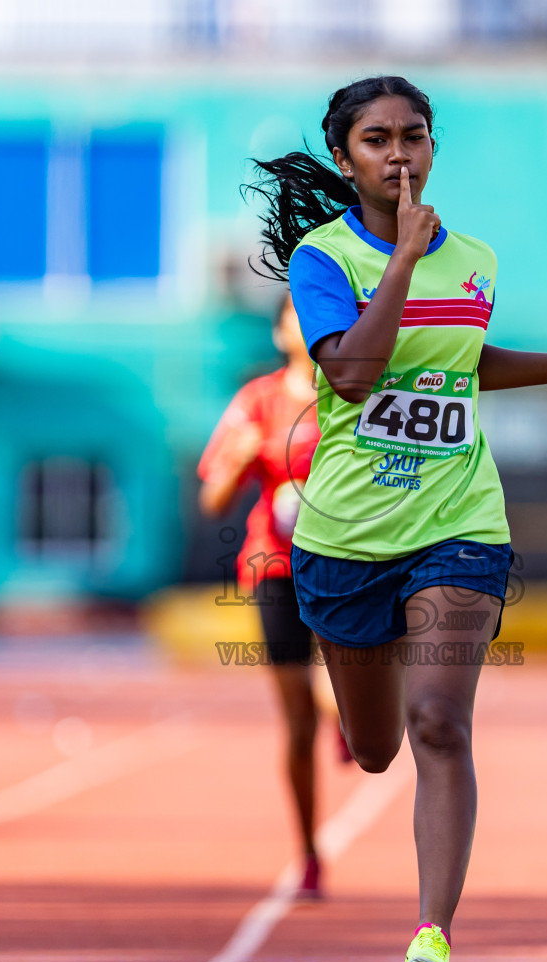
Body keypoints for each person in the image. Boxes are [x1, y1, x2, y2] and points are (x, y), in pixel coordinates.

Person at [248, 75, 547, 962]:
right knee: (374, 749)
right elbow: (353, 376)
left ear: (433, 148)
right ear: (345, 156)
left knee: (440, 722)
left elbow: (465, 362)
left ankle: (432, 934)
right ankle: (371, 692)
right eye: (376, 140)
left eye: (414, 136)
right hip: (347, 536)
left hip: (459, 521)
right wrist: (398, 260)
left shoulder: (473, 258)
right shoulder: (323, 261)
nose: (399, 155)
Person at [198, 294, 326, 897]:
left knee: (340, 691)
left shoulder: (356, 395)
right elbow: (213, 498)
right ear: (279, 332)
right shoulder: (258, 401)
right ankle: (307, 850)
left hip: (345, 566)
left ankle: (352, 717)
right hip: (275, 566)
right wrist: (238, 462)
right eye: (295, 313)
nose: (307, 322)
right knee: (298, 718)